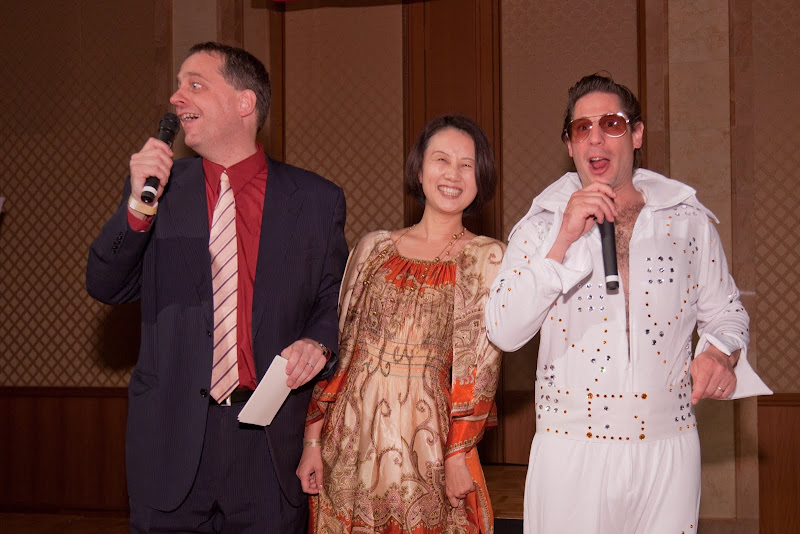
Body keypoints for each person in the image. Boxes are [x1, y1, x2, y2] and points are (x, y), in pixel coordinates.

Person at [485, 74, 771, 533]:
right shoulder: (540, 228)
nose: (596, 138)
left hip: (669, 448)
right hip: (571, 450)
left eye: (612, 123)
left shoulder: (688, 221)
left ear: (636, 134)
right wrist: (563, 239)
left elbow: (728, 312)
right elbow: (503, 329)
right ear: (570, 145)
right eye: (582, 128)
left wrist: (720, 353)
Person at [86, 42, 348, 532]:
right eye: (178, 85)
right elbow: (105, 284)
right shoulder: (159, 192)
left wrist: (318, 341)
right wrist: (138, 209)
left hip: (268, 445)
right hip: (169, 442)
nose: (176, 97)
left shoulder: (316, 200)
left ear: (244, 102)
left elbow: (332, 299)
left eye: (195, 84)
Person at [296, 115, 505, 533]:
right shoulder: (373, 247)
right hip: (350, 437)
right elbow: (341, 351)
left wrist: (458, 454)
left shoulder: (489, 258)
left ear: (480, 178)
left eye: (466, 164)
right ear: (419, 169)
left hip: (426, 440)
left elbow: (482, 368)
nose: (453, 174)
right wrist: (312, 440)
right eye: (441, 159)